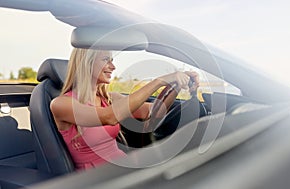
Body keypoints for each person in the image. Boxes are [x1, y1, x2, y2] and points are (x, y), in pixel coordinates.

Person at [50, 48, 199, 170]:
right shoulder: (61, 104)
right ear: (86, 63)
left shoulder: (109, 98)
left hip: (123, 166)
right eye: (105, 60)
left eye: (112, 60)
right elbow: (108, 117)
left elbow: (155, 111)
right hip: (95, 178)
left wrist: (176, 84)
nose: (112, 67)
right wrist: (159, 82)